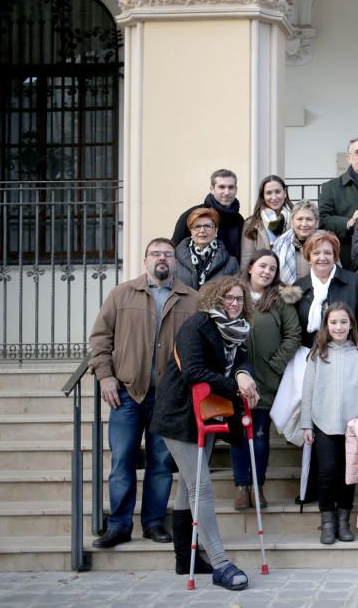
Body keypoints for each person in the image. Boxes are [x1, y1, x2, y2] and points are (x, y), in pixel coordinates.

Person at [88, 238, 197, 550]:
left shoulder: (190, 299)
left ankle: (152, 523)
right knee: (122, 461)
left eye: (168, 254)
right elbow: (100, 337)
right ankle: (119, 526)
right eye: (156, 254)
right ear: (145, 259)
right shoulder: (122, 294)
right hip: (126, 395)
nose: (162, 258)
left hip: (169, 398)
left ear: (175, 261)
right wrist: (105, 376)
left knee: (161, 463)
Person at [150, 276, 258, 591]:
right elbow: (194, 371)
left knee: (187, 487)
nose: (235, 303)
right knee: (201, 487)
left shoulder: (236, 331)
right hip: (180, 414)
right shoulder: (197, 326)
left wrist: (242, 374)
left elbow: (241, 362)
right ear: (214, 298)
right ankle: (221, 563)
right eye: (229, 298)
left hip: (207, 412)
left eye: (240, 299)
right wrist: (237, 387)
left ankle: (187, 559)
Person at [301, 303, 358, 544]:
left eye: (343, 322)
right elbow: (307, 391)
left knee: (349, 475)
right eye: (333, 322)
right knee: (327, 472)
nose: (338, 327)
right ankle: (327, 521)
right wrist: (306, 424)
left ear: (351, 325)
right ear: (326, 325)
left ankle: (344, 521)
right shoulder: (317, 355)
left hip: (353, 427)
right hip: (324, 424)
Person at [231, 249, 301, 510]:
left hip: (266, 379)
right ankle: (241, 486)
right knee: (240, 434)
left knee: (259, 435)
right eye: (262, 266)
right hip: (236, 379)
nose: (266, 272)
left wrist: (275, 366)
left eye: (272, 268)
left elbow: (293, 334)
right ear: (250, 267)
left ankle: (257, 485)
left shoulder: (281, 299)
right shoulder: (233, 294)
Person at [293, 230, 358, 350]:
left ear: (335, 256)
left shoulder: (354, 282)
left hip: (347, 351)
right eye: (316, 253)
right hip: (309, 355)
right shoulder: (298, 288)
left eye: (327, 253)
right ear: (309, 257)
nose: (322, 258)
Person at [318, 136, 358, 268]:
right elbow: (323, 220)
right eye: (357, 152)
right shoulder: (331, 187)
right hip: (343, 258)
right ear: (348, 158)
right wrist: (349, 222)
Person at [172, 169, 245, 261]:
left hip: (231, 274)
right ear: (212, 189)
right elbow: (174, 249)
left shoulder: (239, 220)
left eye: (231, 187)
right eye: (221, 187)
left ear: (236, 189)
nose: (227, 192)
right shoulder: (192, 215)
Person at [174, 207, 240, 290]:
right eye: (197, 226)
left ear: (216, 231)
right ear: (191, 231)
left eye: (207, 226)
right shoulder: (175, 261)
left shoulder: (231, 263)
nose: (202, 230)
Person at [241, 175, 292, 269]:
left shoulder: (296, 220)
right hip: (264, 277)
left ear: (284, 193)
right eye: (269, 193)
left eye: (277, 192)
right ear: (263, 196)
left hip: (293, 279)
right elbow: (247, 259)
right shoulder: (251, 224)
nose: (274, 197)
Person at [272, 200, 319, 285]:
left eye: (309, 219)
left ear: (316, 223)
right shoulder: (279, 244)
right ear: (292, 222)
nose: (304, 224)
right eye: (299, 219)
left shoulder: (326, 243)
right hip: (286, 296)